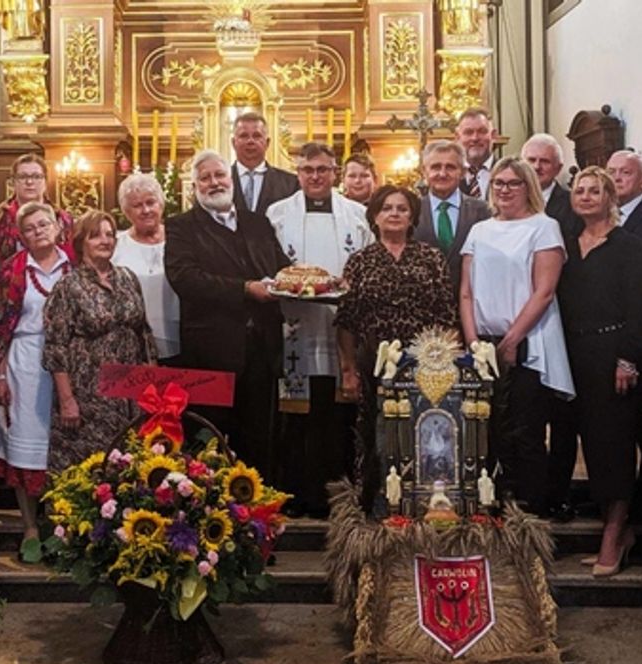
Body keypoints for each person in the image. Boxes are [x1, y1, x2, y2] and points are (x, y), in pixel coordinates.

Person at [460, 156, 573, 516]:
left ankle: (532, 511)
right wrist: (474, 341)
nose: (505, 190)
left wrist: (510, 340)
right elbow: (465, 291)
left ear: (529, 187)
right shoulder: (480, 230)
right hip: (483, 343)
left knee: (525, 430)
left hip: (527, 341)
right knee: (487, 429)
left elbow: (544, 291)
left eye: (513, 183)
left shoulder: (544, 226)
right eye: (499, 183)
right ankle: (494, 504)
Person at [165, 150, 287, 479]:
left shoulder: (257, 222)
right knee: (211, 439)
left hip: (263, 348)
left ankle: (260, 508)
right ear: (194, 186)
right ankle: (214, 513)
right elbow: (186, 279)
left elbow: (280, 267)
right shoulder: (180, 227)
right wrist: (245, 289)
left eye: (219, 175)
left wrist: (307, 281)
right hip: (211, 353)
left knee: (259, 436)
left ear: (230, 179)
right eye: (205, 178)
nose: (214, 183)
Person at [267, 142, 373, 514]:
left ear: (335, 173)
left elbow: (366, 266)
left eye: (323, 170)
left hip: (341, 328)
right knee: (297, 415)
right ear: (298, 173)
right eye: (308, 170)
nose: (315, 176)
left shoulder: (358, 215)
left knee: (339, 414)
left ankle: (339, 494)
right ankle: (298, 493)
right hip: (293, 327)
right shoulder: (277, 214)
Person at [335, 185, 458, 507]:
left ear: (412, 217)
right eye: (387, 208)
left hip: (423, 364)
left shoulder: (431, 257)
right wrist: (348, 369)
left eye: (402, 208)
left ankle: (424, 503)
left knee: (423, 433)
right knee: (374, 433)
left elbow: (446, 315)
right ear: (374, 216)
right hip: (372, 363)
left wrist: (442, 365)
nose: (394, 213)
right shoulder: (359, 261)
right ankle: (374, 504)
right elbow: (346, 320)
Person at [556, 166, 642, 576]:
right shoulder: (565, 244)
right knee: (589, 443)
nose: (588, 196)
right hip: (572, 351)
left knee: (613, 443)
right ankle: (613, 528)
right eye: (581, 190)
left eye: (597, 190)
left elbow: (637, 309)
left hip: (614, 352)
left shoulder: (629, 246)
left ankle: (615, 532)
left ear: (611, 197)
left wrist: (628, 358)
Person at [0, 203, 73, 557]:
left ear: (57, 227)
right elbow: (3, 330)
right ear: (22, 236)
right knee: (26, 444)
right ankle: (30, 525)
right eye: (31, 228)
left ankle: (62, 522)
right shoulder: (12, 272)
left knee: (64, 445)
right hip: (25, 361)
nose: (39, 231)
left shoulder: (74, 267)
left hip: (69, 364)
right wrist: (1, 374)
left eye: (44, 224)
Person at [45, 210, 157, 473]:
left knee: (129, 466)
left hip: (130, 391)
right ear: (81, 241)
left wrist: (151, 388)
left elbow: (145, 335)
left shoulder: (128, 278)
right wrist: (67, 400)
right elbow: (55, 348)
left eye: (110, 234)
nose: (105, 240)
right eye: (96, 236)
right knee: (89, 467)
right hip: (88, 392)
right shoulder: (68, 286)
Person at [0, 154, 74, 444]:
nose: (30, 181)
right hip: (14, 321)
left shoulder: (65, 219)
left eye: (36, 176)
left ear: (46, 181)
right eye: (23, 176)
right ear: (13, 182)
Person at [520, 134, 581, 521]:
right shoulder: (512, 205)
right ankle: (529, 492)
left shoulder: (570, 207)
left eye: (545, 161)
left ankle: (558, 493)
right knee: (525, 418)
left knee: (563, 419)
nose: (538, 167)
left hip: (564, 320)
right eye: (531, 160)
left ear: (557, 168)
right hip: (519, 321)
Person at [608, 149, 642, 521]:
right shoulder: (590, 221)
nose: (617, 178)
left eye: (625, 172)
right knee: (615, 428)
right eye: (611, 171)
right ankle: (620, 503)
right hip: (603, 339)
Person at [112, 172, 180, 363]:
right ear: (126, 211)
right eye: (137, 205)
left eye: (151, 202)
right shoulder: (116, 244)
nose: (146, 210)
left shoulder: (181, 240)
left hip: (181, 339)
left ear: (161, 204)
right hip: (132, 345)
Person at [414, 140, 491, 300]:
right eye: (435, 167)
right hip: (423, 309)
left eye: (450, 167)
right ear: (424, 171)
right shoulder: (411, 211)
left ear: (463, 172)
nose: (442, 174)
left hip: (473, 305)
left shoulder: (484, 211)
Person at [230, 112, 298, 215]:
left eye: (257, 136)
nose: (250, 141)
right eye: (244, 136)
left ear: (267, 142)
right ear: (233, 142)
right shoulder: (217, 182)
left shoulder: (291, 184)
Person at [455, 107, 496, 199]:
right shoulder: (449, 175)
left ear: (493, 135)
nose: (475, 138)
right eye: (468, 132)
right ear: (457, 137)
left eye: (482, 131)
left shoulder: (508, 172)